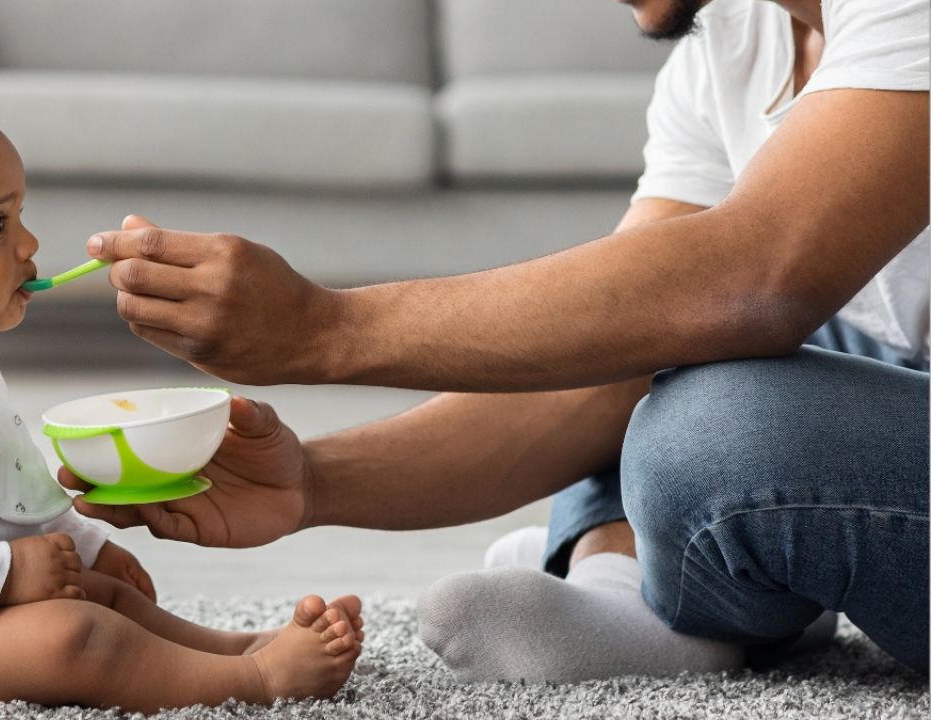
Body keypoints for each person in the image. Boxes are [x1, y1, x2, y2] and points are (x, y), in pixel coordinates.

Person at [63, 0, 930, 681]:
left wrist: (321, 329)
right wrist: (311, 486)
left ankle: (676, 598)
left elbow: (752, 282)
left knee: (718, 427)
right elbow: (621, 342)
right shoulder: (730, 46)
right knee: (639, 339)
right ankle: (640, 587)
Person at [0, 63, 363, 712]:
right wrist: (5, 575)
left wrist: (85, 548)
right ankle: (257, 682)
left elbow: (8, 483)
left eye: (20, 215)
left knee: (97, 596)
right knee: (70, 636)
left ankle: (236, 648)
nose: (29, 243)